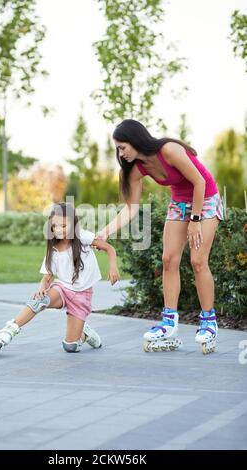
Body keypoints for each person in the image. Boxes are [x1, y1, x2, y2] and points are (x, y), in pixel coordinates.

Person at [95, 119, 223, 354]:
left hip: (205, 198)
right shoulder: (136, 169)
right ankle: (169, 323)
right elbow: (130, 208)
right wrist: (104, 232)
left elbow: (199, 181)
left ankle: (208, 321)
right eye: (117, 149)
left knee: (197, 261)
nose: (120, 154)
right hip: (180, 204)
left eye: (122, 147)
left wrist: (194, 221)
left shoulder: (169, 150)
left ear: (135, 140)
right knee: (168, 260)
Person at [0, 202, 120, 355]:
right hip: (62, 289)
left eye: (63, 226)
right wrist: (42, 289)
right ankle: (9, 330)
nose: (58, 230)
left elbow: (109, 248)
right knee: (39, 301)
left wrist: (112, 267)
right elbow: (47, 278)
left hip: (82, 295)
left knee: (70, 347)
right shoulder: (53, 250)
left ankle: (84, 334)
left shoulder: (82, 236)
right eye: (55, 226)